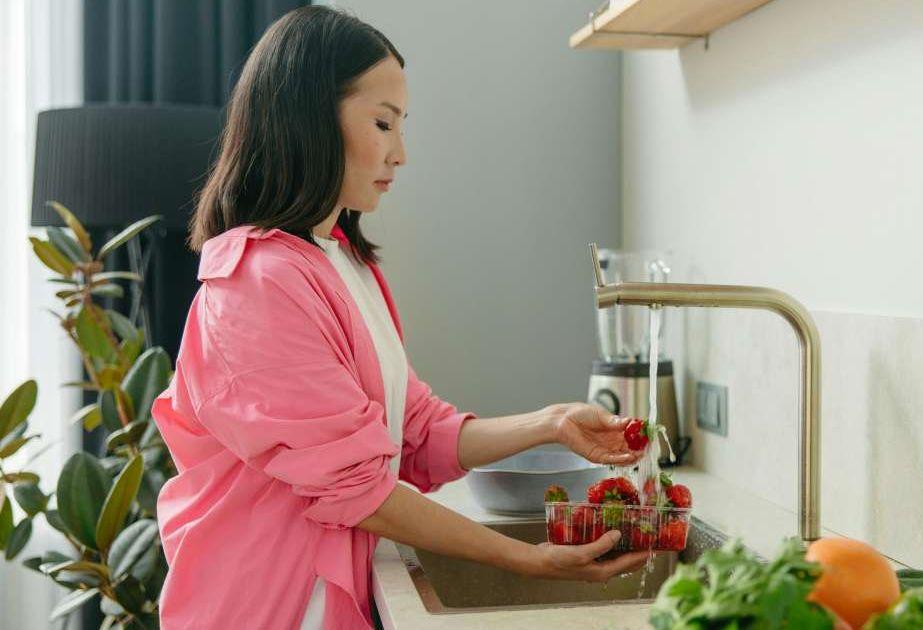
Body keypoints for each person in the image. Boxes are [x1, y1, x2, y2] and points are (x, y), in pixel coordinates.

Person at [150, 6, 650, 628]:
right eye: (383, 123)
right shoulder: (257, 285)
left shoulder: (341, 261)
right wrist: (530, 559)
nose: (401, 153)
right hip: (267, 605)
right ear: (309, 122)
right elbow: (358, 491)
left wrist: (551, 423)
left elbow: (411, 432)